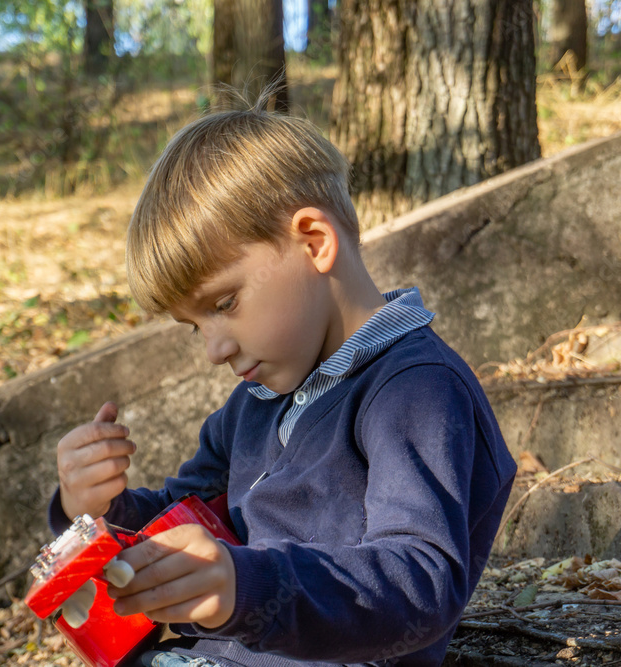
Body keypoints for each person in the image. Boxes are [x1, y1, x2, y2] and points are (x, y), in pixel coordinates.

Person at [48, 89, 517, 667]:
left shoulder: (416, 390)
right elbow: (183, 518)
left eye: (223, 302)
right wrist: (100, 510)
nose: (215, 348)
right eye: (194, 327)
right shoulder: (255, 404)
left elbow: (419, 584)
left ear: (315, 242)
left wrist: (244, 588)